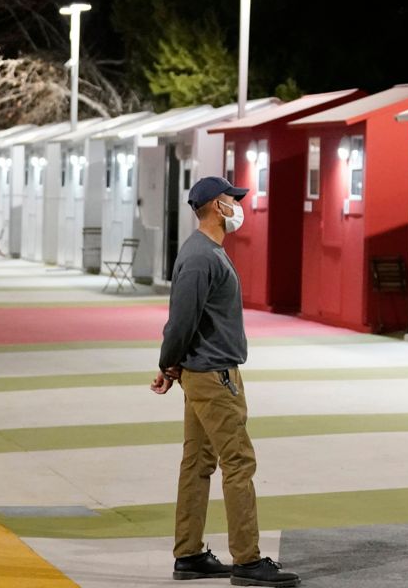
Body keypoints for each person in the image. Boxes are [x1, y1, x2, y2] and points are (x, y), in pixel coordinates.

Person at [151, 176, 300, 587]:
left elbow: (188, 321)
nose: (238, 206)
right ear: (218, 206)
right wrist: (167, 363)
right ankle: (248, 560)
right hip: (214, 376)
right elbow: (181, 321)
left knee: (197, 462)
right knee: (239, 462)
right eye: (232, 199)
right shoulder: (203, 257)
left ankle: (189, 554)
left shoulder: (205, 252)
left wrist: (173, 365)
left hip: (202, 372)